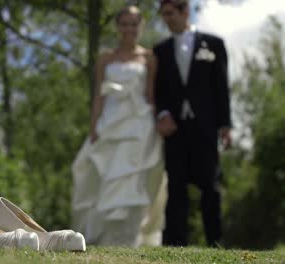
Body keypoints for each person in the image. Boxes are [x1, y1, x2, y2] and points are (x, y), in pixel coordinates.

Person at [72, 6, 167, 247]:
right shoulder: (105, 58)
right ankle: (99, 237)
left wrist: (157, 127)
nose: (129, 29)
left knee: (133, 180)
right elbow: (98, 96)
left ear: (141, 27)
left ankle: (130, 239)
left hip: (139, 125)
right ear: (117, 27)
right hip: (110, 123)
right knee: (100, 173)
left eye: (134, 24)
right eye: (124, 24)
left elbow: (151, 96)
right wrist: (93, 128)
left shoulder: (149, 58)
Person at [153, 0, 232, 247]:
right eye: (163, 15)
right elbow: (158, 91)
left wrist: (225, 125)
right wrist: (162, 114)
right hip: (175, 129)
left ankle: (215, 242)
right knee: (176, 187)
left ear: (185, 11)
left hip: (205, 128)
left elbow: (221, 87)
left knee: (210, 185)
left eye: (170, 13)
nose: (166, 19)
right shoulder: (160, 50)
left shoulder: (214, 44)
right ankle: (175, 244)